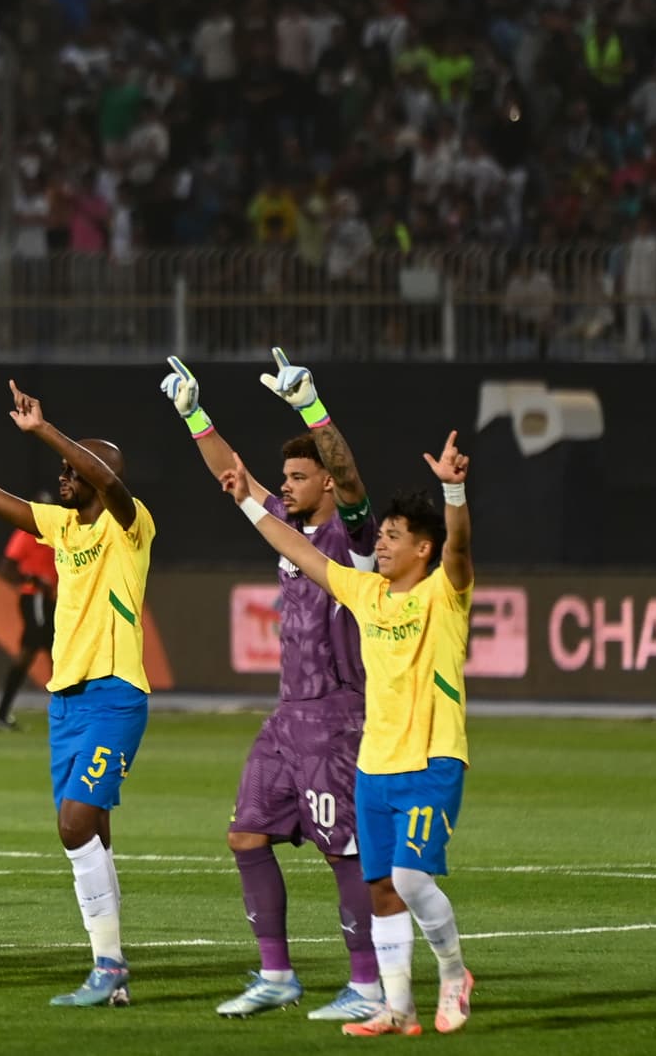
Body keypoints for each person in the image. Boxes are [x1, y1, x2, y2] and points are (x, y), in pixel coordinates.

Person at [219, 431, 477, 1037]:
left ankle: (453, 973)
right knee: (382, 889)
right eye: (380, 535)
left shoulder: (446, 593)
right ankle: (397, 1008)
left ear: (423, 548)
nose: (381, 545)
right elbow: (296, 547)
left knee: (412, 880)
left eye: (393, 538)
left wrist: (454, 489)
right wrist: (250, 503)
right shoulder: (366, 594)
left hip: (433, 760)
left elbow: (460, 548)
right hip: (374, 767)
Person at [158, 351, 384, 1020]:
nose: (282, 485)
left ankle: (367, 983)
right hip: (288, 720)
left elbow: (348, 472)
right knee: (246, 834)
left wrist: (311, 407)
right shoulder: (287, 531)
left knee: (343, 851)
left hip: (338, 721)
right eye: (282, 475)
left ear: (322, 483)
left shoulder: (355, 539)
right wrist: (194, 414)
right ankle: (277, 974)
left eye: (296, 476)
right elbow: (232, 474)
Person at [0, 380, 151, 1007]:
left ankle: (110, 966)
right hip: (65, 701)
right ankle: (109, 971)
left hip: (114, 694)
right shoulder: (61, 527)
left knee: (74, 824)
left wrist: (48, 431)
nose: (65, 475)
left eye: (75, 468)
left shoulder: (131, 525)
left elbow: (108, 484)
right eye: (62, 467)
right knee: (93, 834)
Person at [0, 490, 57, 731]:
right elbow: (6, 567)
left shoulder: (55, 531)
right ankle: (65, 711)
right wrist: (35, 579)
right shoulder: (27, 533)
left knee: (49, 651)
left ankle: (2, 715)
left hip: (49, 600)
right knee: (47, 649)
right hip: (35, 597)